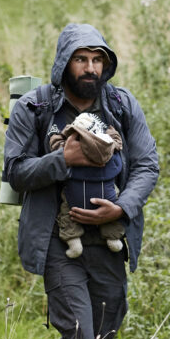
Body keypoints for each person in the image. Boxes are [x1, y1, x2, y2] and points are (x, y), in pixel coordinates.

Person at [3, 23, 159, 339]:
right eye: (81, 59)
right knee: (79, 332)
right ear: (64, 62)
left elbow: (146, 165)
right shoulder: (34, 109)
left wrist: (121, 208)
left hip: (109, 242)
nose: (90, 68)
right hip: (58, 241)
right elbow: (15, 171)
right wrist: (64, 159)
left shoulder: (123, 106)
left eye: (97, 60)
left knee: (104, 334)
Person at [48, 111, 126, 258]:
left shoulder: (69, 146)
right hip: (105, 194)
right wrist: (111, 130)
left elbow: (55, 145)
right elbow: (118, 141)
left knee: (67, 211)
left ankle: (73, 241)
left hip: (74, 196)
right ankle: (113, 236)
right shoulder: (108, 144)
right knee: (115, 200)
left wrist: (57, 134)